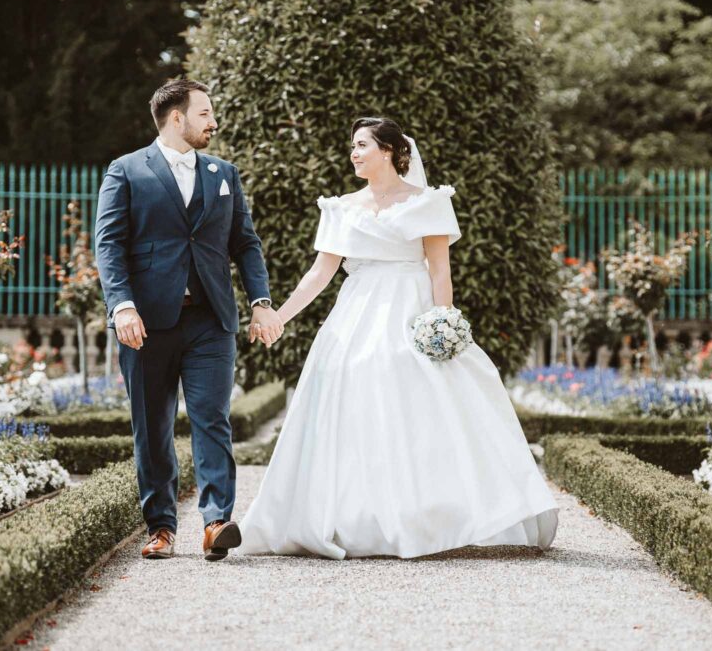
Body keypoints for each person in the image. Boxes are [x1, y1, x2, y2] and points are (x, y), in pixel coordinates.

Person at [238, 117, 559, 559]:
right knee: (351, 393)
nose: (353, 153)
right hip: (355, 313)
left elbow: (439, 271)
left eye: (362, 145)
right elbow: (320, 273)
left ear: (388, 150)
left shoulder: (428, 203)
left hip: (411, 308)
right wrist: (279, 317)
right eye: (352, 146)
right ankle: (357, 514)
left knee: (420, 399)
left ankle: (430, 511)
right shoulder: (341, 207)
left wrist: (442, 323)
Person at [95, 79, 284, 562]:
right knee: (152, 426)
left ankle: (216, 522)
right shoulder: (126, 170)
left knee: (212, 419)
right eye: (205, 113)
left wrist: (261, 301)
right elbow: (109, 244)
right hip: (145, 324)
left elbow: (245, 244)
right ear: (176, 117)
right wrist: (122, 305)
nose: (213, 122)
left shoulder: (224, 173)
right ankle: (160, 527)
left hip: (210, 321)